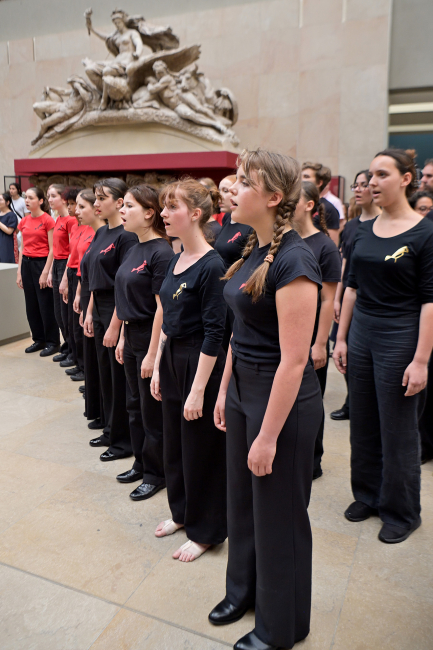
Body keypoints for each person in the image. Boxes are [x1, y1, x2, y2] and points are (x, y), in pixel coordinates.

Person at [208, 149, 322, 650]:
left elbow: (295, 361)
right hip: (244, 391)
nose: (231, 187)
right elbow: (241, 334)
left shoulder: (296, 261)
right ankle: (243, 592)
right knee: (243, 505)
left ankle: (282, 625)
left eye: (243, 181)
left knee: (278, 516)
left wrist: (268, 436)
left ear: (274, 198)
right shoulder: (254, 248)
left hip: (281, 402)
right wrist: (224, 392)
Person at [333, 149, 433, 544]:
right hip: (362, 335)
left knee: (398, 429)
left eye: (381, 174)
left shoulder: (425, 233)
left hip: (401, 337)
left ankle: (402, 512)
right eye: (370, 175)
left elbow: (430, 302)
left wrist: (422, 359)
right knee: (365, 422)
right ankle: (369, 495)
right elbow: (351, 287)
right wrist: (340, 337)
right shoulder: (362, 231)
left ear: (406, 179)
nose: (372, 182)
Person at [150, 178, 227, 563]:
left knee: (201, 449)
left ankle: (206, 530)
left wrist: (198, 389)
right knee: (175, 444)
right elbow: (168, 317)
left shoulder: (213, 265)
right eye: (163, 207)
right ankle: (182, 513)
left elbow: (217, 332)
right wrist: (160, 366)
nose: (163, 213)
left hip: (200, 362)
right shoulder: (177, 256)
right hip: (174, 357)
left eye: (171, 207)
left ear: (195, 214)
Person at [114, 185, 174, 500]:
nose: (122, 211)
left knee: (152, 412)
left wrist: (152, 354)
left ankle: (156, 473)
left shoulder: (161, 251)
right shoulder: (132, 246)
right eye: (121, 206)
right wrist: (124, 336)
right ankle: (140, 461)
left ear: (149, 212)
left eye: (129, 206)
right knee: (134, 405)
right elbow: (126, 297)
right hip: (132, 332)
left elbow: (162, 309)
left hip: (151, 336)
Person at [84, 178, 138, 461]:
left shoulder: (125, 236)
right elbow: (95, 277)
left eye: (101, 198)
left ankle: (122, 440)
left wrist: (116, 324)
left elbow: (124, 283)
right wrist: (90, 310)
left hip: (117, 308)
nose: (96, 204)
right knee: (104, 372)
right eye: (95, 198)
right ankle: (109, 427)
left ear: (119, 202)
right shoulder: (102, 231)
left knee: (119, 378)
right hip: (100, 305)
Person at [292, 181, 341, 480]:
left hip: (311, 336)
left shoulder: (324, 246)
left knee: (309, 400)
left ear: (310, 205)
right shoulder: (282, 239)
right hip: (286, 332)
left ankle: (312, 460)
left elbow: (327, 299)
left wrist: (321, 343)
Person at [330, 170, 379, 421]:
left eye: (363, 185)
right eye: (355, 186)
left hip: (371, 301)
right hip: (349, 294)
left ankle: (361, 403)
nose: (358, 190)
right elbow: (344, 265)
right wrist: (337, 298)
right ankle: (353, 400)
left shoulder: (381, 225)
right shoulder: (351, 226)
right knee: (344, 351)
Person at [74, 190, 105, 429]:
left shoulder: (109, 235)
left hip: (103, 302)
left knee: (101, 361)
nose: (78, 211)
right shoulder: (97, 234)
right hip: (90, 296)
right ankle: (97, 408)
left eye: (82, 206)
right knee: (93, 357)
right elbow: (85, 271)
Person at [16, 187, 60, 356]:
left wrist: (45, 271)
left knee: (45, 304)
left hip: (41, 263)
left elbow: (52, 249)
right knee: (31, 305)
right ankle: (38, 339)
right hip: (26, 264)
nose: (26, 200)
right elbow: (22, 248)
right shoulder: (24, 221)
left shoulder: (48, 220)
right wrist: (19, 271)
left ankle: (52, 342)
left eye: (30, 198)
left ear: (41, 201)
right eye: (25, 197)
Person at [214, 183, 254, 352]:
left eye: (226, 189)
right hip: (222, 293)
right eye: (221, 189)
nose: (228, 193)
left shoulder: (250, 225)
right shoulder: (226, 219)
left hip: (239, 295)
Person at [47, 184, 75, 363]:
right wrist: (50, 271)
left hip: (66, 264)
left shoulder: (71, 221)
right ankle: (67, 347)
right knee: (59, 312)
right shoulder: (57, 218)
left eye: (52, 196)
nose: (49, 200)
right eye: (48, 196)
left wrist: (64, 274)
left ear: (63, 199)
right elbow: (54, 249)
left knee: (67, 312)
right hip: (57, 264)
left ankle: (74, 351)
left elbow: (72, 250)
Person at [63, 188, 85, 382]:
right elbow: (73, 255)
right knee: (71, 323)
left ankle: (85, 368)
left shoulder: (93, 230)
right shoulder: (77, 227)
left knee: (80, 326)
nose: (74, 209)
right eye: (72, 204)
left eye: (78, 205)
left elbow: (84, 262)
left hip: (82, 278)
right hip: (72, 274)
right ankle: (79, 363)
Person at [301, 162, 340, 245]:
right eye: (300, 176)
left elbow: (332, 245)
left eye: (306, 177)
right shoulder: (297, 205)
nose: (301, 180)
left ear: (319, 183)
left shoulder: (329, 208)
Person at [0, 192, 18, 263]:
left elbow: (9, 231)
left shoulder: (11, 215)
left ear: (7, 202)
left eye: (0, 200)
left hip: (6, 244)